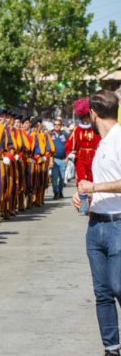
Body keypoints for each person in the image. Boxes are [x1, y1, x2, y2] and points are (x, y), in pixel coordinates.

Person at [72, 89, 121, 356]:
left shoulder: (119, 139)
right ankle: (111, 348)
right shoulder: (102, 142)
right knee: (102, 293)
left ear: (93, 113)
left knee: (118, 287)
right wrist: (83, 195)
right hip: (96, 224)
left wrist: (96, 185)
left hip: (117, 224)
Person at [66, 97, 101, 183]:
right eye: (83, 117)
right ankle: (81, 195)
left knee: (92, 177)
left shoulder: (95, 129)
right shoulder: (77, 129)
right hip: (80, 157)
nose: (85, 119)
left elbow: (101, 142)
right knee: (80, 178)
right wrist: (70, 154)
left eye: (87, 117)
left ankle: (91, 195)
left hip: (93, 156)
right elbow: (69, 144)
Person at [50, 118, 68, 199]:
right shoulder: (50, 136)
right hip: (54, 160)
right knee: (54, 178)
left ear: (61, 126)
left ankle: (60, 191)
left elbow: (69, 147)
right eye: (55, 124)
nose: (56, 126)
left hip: (63, 160)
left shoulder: (65, 135)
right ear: (53, 126)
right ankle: (55, 192)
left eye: (58, 124)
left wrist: (67, 157)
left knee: (62, 177)